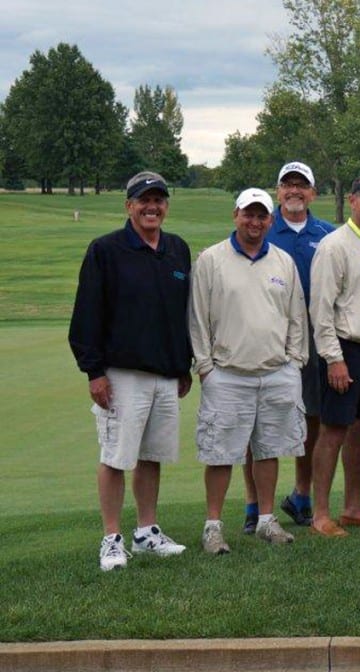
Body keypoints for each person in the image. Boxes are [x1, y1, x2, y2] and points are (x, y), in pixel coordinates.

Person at [69, 171, 192, 571]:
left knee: (151, 455)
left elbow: (180, 315)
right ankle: (111, 539)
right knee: (116, 457)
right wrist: (94, 373)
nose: (151, 206)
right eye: (143, 200)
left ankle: (147, 532)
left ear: (166, 206)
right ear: (129, 206)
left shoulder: (176, 250)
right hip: (121, 374)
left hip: (165, 374)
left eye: (158, 199)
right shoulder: (106, 250)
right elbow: (86, 316)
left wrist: (183, 364)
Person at [190, 188, 308, 554]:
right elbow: (197, 318)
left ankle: (267, 520)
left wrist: (295, 362)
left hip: (275, 372)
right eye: (248, 214)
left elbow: (296, 317)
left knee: (269, 449)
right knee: (221, 453)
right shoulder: (211, 259)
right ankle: (213, 526)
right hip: (227, 373)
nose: (254, 222)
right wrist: (206, 367)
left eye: (261, 216)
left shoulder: (283, 262)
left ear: (270, 221)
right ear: (235, 215)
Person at [238, 161, 335, 533]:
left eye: (302, 185)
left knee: (312, 417)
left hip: (313, 334)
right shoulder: (260, 227)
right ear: (278, 191)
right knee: (255, 422)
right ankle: (252, 505)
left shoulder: (327, 234)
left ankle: (301, 496)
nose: (294, 191)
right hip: (263, 336)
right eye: (287, 184)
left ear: (313, 192)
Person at [306, 174, 360, 537]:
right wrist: (333, 358)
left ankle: (353, 507)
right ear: (353, 201)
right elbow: (321, 309)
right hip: (346, 349)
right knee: (333, 431)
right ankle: (320, 514)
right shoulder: (334, 246)